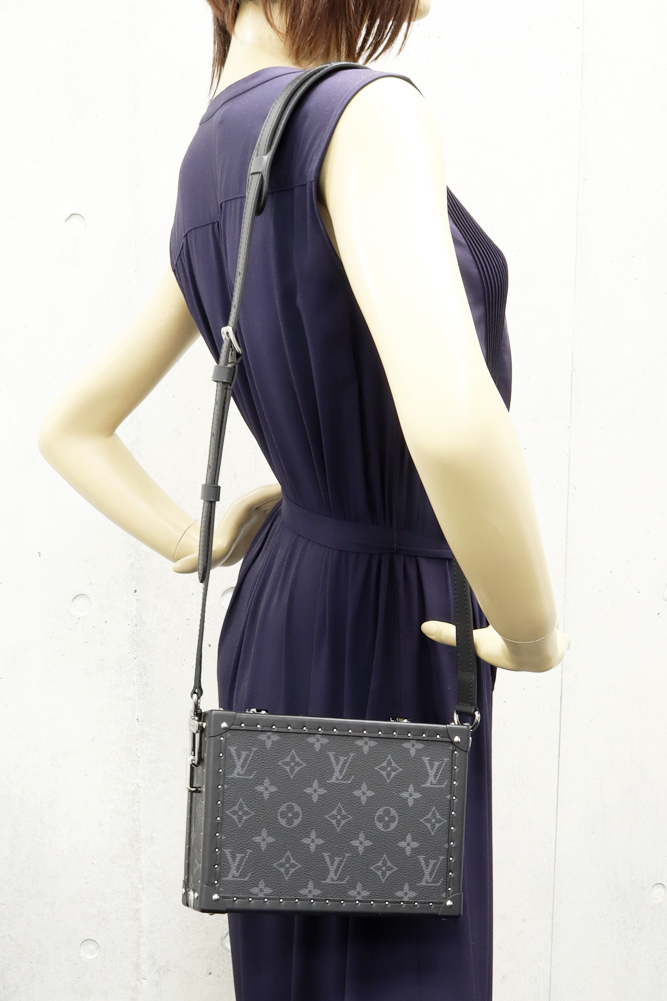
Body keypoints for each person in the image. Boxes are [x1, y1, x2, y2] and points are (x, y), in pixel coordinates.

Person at [38, 1, 570, 998]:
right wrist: (533, 625)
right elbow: (452, 424)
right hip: (398, 612)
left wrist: (196, 533)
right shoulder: (364, 115)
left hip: (284, 605)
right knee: (404, 966)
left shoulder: (216, 159)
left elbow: (71, 427)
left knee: (299, 961)